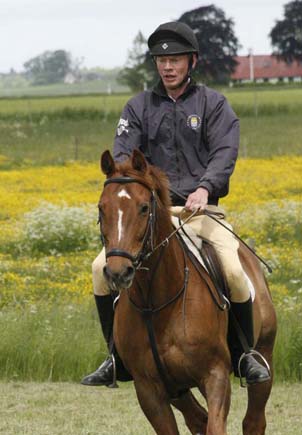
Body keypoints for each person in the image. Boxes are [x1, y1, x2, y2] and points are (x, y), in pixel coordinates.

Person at [81, 21, 270, 388]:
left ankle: (246, 354)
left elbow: (224, 153)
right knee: (98, 269)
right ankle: (114, 357)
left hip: (203, 212)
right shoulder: (137, 107)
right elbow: (123, 154)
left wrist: (205, 188)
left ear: (191, 61)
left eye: (176, 59)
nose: (167, 66)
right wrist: (139, 187)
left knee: (232, 270)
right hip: (151, 216)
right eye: (161, 60)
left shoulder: (214, 104)